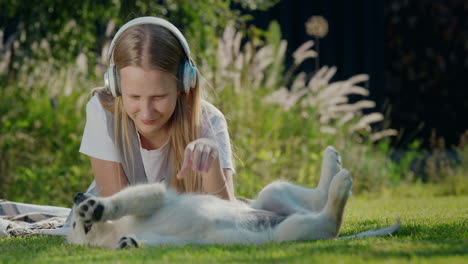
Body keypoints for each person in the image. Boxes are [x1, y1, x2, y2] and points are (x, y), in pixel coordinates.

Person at [79, 17, 235, 201]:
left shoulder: (209, 121)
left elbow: (227, 219)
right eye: (134, 97)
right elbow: (118, 212)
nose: (146, 112)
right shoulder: (103, 112)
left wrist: (213, 168)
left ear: (183, 85)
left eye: (159, 97)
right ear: (116, 87)